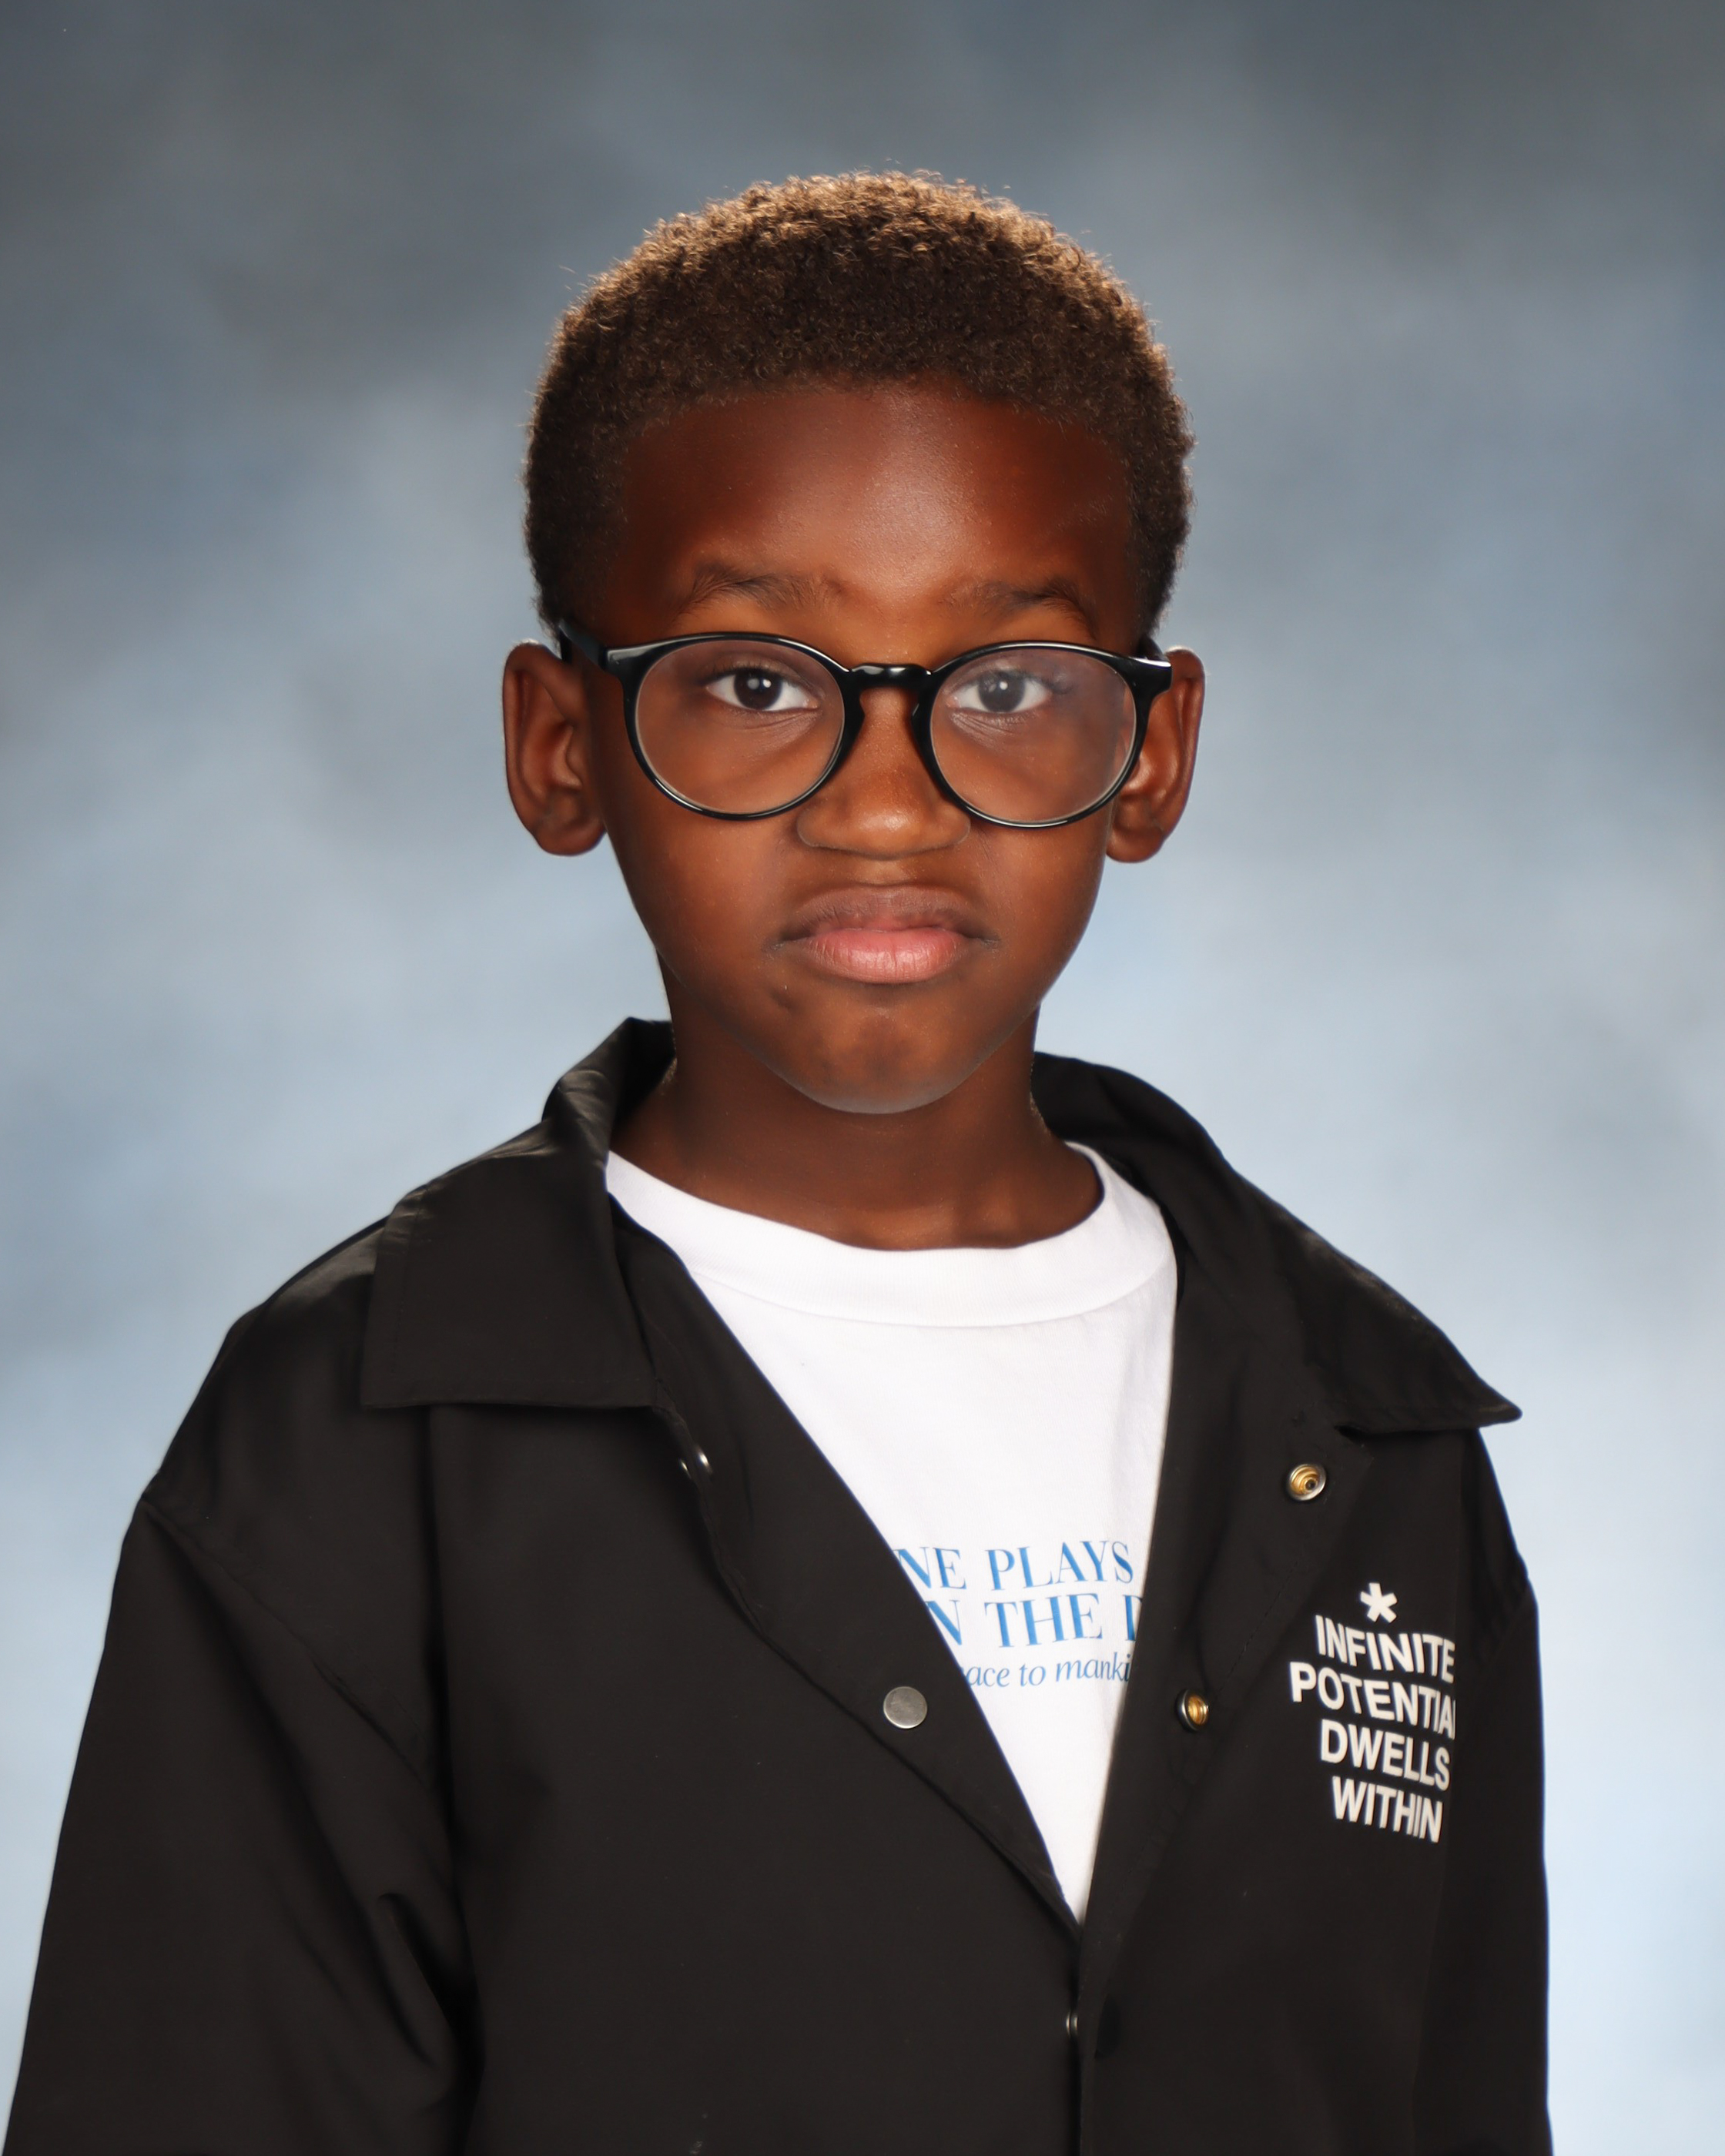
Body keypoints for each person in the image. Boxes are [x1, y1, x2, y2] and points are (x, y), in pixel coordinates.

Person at [5, 174, 1550, 2155]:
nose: (886, 806)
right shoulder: (363, 1441)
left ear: (1151, 754)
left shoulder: (1374, 1435)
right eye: (752, 682)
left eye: (1007, 685)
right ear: (561, 742)